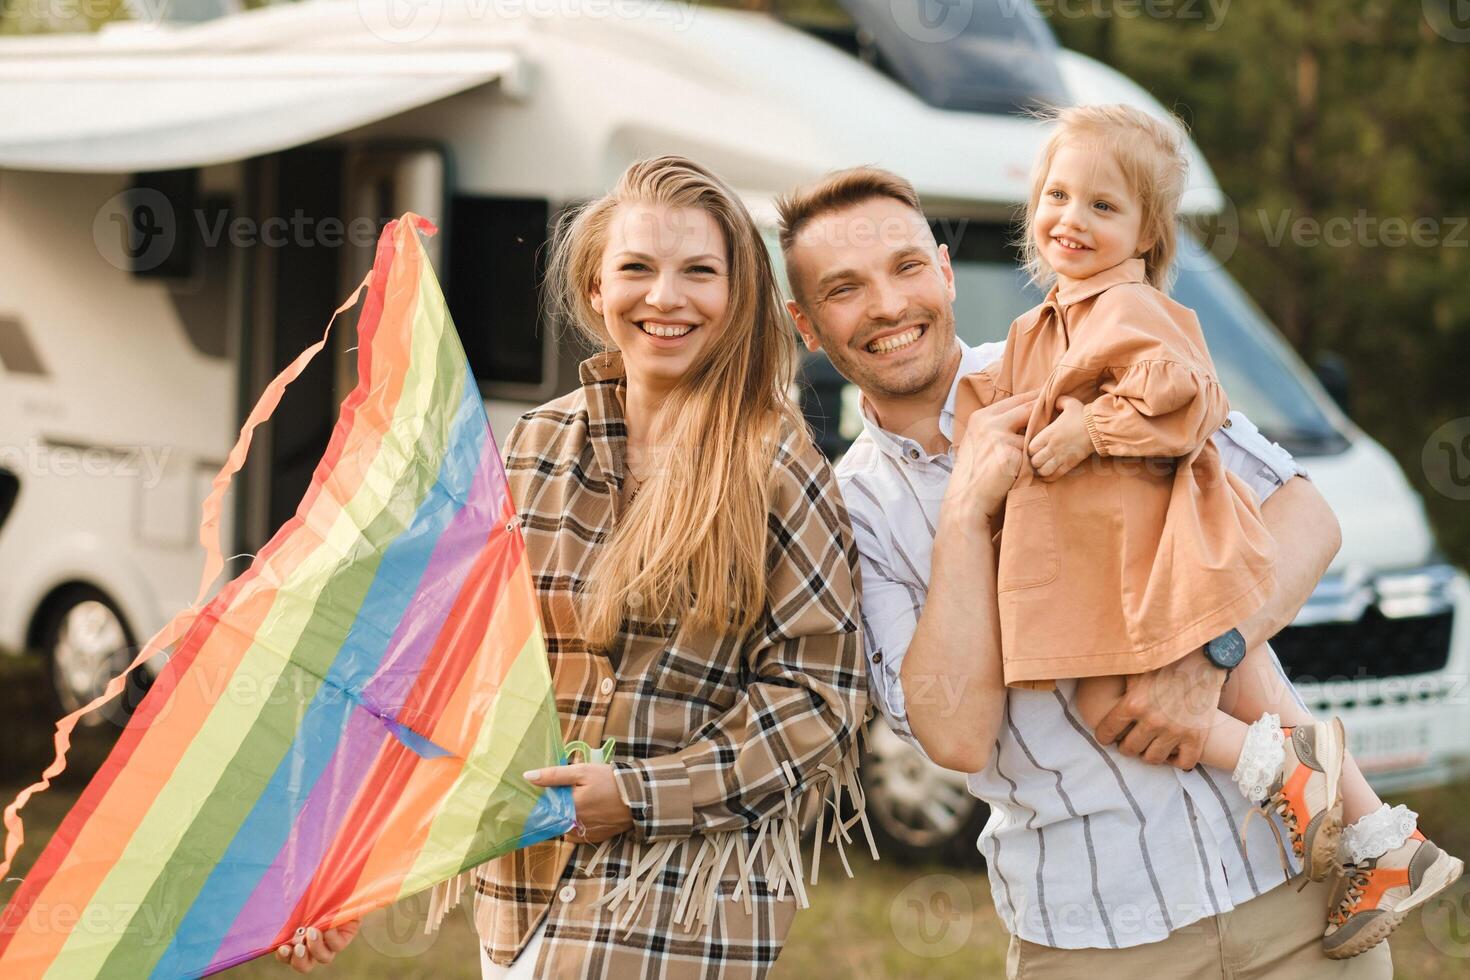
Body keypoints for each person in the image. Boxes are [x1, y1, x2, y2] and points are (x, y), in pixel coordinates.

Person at [775, 163, 1393, 977]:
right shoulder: (845, 513)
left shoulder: (1082, 351)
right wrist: (963, 513)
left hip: (1295, 891)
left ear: (946, 271)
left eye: (907, 267)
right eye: (846, 288)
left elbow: (1305, 516)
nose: (889, 305)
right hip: (1095, 938)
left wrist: (1206, 657)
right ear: (807, 325)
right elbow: (956, 735)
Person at [274, 155, 869, 977]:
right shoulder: (537, 444)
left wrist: (636, 794)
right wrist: (353, 872)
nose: (665, 297)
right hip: (518, 893)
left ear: (738, 298)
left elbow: (820, 697)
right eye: (636, 268)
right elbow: (463, 674)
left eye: (700, 271)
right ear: (596, 289)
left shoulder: (776, 466)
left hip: (680, 896)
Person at [954, 104, 1461, 957]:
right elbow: (1007, 402)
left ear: (1148, 236)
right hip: (1128, 557)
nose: (1070, 219)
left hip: (1158, 550)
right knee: (1177, 684)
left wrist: (1093, 429)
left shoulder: (1128, 306)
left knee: (1110, 698)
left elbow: (1186, 392)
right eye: (1056, 195)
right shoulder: (1047, 322)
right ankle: (1375, 836)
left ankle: (1287, 772)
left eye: (1103, 207)